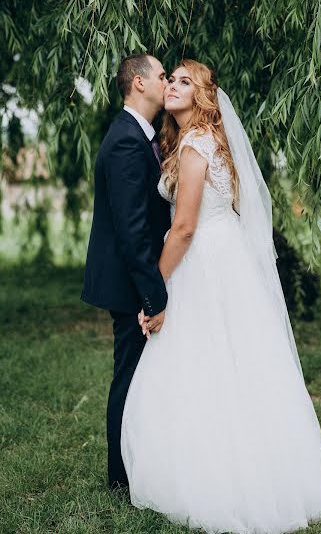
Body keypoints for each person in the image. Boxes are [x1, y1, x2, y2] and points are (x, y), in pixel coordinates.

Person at [120, 59, 321, 533]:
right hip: (221, 258)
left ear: (200, 95)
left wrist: (154, 291)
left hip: (205, 263)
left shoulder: (197, 144)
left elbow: (183, 227)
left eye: (182, 81)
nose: (172, 86)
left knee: (206, 360)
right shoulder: (195, 142)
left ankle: (219, 475)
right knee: (231, 362)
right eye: (169, 79)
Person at [81, 54, 171, 490]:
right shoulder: (125, 141)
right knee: (130, 376)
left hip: (137, 279)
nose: (167, 81)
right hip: (129, 284)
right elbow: (133, 229)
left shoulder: (141, 136)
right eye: (161, 75)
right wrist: (153, 298)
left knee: (141, 374)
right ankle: (120, 477)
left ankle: (142, 464)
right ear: (138, 83)